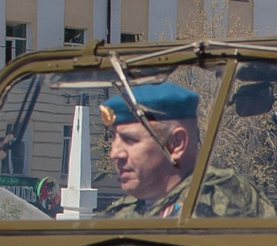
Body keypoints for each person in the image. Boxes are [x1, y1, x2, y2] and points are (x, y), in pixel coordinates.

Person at [98, 80, 261, 219]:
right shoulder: (123, 212)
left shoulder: (217, 199)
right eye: (113, 138)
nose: (115, 153)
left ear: (177, 143)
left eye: (130, 139)